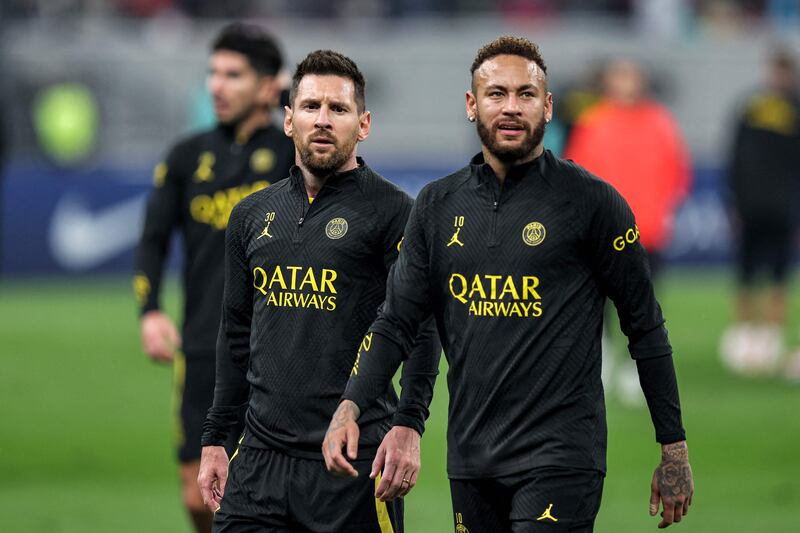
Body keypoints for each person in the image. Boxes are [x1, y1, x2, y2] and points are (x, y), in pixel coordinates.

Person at [323, 36, 694, 532]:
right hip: (471, 458)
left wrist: (673, 449)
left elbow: (646, 329)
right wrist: (351, 405)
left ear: (549, 106)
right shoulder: (437, 205)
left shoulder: (592, 203)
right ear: (472, 105)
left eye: (526, 94)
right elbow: (396, 322)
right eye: (497, 94)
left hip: (562, 457)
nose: (512, 107)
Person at [197, 50, 439, 532]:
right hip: (260, 463)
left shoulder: (395, 213)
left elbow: (421, 330)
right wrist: (216, 436)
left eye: (338, 108)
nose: (323, 120)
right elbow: (236, 334)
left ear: (363, 123)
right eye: (310, 107)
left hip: (353, 460)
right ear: (288, 120)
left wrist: (409, 425)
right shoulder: (251, 215)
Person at [133, 23, 295, 533]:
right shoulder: (186, 156)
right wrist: (151, 311)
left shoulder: (296, 153)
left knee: (270, 490)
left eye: (233, 75)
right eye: (213, 73)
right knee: (197, 493)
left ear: (269, 86)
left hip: (282, 346)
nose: (216, 86)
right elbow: (153, 238)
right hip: (204, 343)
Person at [563, 58, 691, 404]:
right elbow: (575, 172)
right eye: (618, 77)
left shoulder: (660, 123)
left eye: (630, 77)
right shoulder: (593, 122)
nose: (625, 84)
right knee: (596, 302)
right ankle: (600, 363)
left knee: (642, 308)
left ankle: (638, 370)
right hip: (602, 231)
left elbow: (678, 169)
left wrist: (665, 207)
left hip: (647, 229)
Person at [719, 47, 800, 378]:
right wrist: (733, 201)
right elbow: (735, 157)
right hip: (754, 203)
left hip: (781, 205)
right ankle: (745, 335)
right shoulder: (751, 107)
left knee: (777, 272)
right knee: (748, 272)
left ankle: (770, 336)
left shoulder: (782, 108)